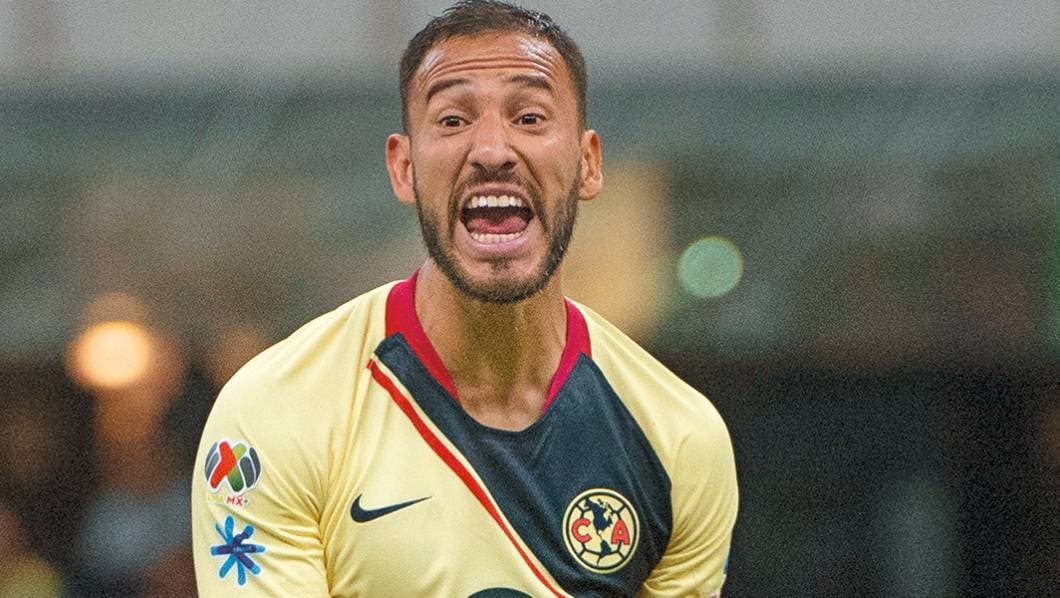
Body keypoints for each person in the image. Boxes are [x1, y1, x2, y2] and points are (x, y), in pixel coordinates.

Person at [191, 1, 738, 596]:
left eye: (529, 117)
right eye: (452, 120)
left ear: (587, 164)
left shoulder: (679, 443)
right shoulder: (275, 412)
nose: (492, 150)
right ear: (404, 169)